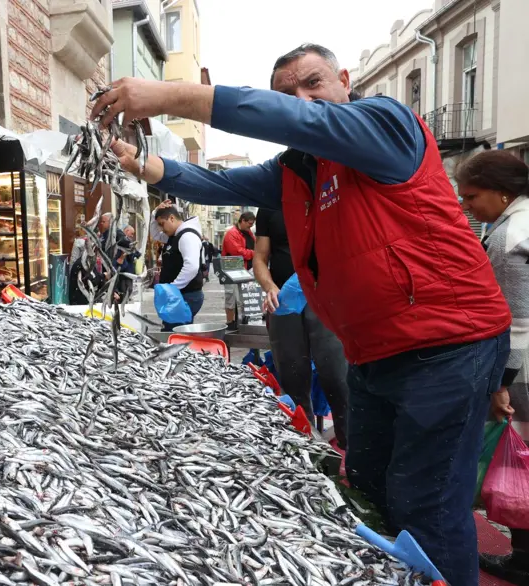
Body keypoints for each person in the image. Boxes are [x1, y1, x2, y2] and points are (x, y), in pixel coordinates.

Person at [93, 43, 511, 585]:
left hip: (448, 345)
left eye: (313, 83)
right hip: (375, 350)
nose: (303, 99)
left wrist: (169, 95)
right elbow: (222, 185)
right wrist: (143, 165)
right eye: (287, 92)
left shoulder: (384, 124)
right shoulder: (297, 169)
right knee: (366, 485)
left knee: (425, 503)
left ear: (344, 80)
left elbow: (296, 117)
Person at [456, 150, 529, 584]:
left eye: (472, 196)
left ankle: (522, 560)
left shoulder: (509, 236)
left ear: (503, 194)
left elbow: (518, 322)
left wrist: (501, 383)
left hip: (524, 369)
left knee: (521, 456)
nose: (467, 206)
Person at [254, 207, 350, 449]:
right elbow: (260, 257)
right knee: (292, 378)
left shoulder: (327, 195)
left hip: (327, 298)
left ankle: (351, 449)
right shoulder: (268, 206)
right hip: (284, 302)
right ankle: (303, 449)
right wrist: (270, 286)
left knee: (338, 378)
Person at [151, 201, 204, 331]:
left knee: (174, 333)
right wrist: (154, 213)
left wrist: (173, 288)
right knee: (174, 332)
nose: (162, 229)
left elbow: (191, 267)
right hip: (179, 294)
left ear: (172, 218)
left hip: (185, 294)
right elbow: (155, 235)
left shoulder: (187, 236)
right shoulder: (175, 235)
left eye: (162, 224)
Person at [221, 211, 255, 330]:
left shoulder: (248, 232)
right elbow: (238, 252)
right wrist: (254, 253)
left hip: (244, 269)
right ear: (243, 221)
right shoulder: (232, 233)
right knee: (230, 296)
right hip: (231, 267)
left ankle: (241, 319)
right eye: (249, 224)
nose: (251, 226)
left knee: (243, 296)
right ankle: (230, 322)